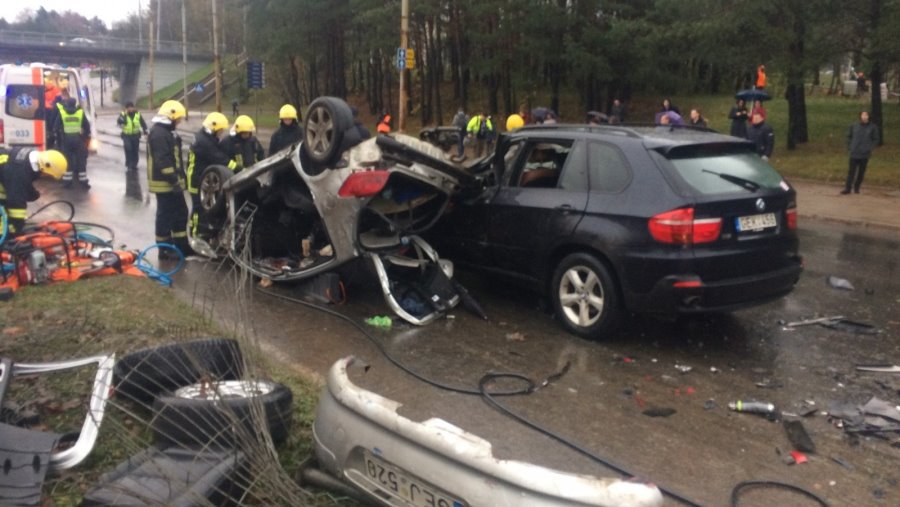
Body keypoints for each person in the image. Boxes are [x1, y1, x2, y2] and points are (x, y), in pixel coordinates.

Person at [147, 100, 192, 259]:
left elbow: (175, 159)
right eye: (178, 119)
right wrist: (174, 180)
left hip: (171, 182)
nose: (179, 122)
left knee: (180, 213)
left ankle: (181, 246)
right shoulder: (159, 133)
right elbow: (163, 161)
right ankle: (164, 249)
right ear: (170, 117)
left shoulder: (166, 132)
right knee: (165, 215)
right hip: (164, 183)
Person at [186, 112, 236, 239]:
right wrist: (238, 168)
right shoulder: (204, 142)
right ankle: (196, 234)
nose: (221, 133)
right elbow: (219, 158)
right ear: (213, 128)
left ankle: (200, 232)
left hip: (202, 177)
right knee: (199, 208)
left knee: (203, 208)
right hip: (197, 179)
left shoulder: (204, 137)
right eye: (220, 130)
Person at [0, 148, 67, 234]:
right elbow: (16, 202)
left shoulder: (29, 159)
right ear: (45, 167)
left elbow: (21, 184)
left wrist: (32, 194)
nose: (45, 176)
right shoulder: (19, 172)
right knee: (3, 229)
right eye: (48, 175)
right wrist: (17, 226)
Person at [54, 97, 91, 189]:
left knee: (67, 160)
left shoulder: (62, 113)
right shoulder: (80, 113)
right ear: (75, 104)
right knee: (81, 160)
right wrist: (85, 136)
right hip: (78, 139)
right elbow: (87, 126)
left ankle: (67, 182)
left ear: (67, 103)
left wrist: (59, 138)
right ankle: (83, 181)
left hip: (66, 140)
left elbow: (55, 127)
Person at [842, 111, 879, 194]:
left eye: (866, 115)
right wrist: (850, 147)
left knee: (861, 173)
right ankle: (848, 188)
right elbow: (848, 136)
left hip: (864, 154)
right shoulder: (854, 126)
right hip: (854, 152)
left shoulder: (873, 127)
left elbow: (876, 139)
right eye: (863, 115)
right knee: (851, 172)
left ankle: (857, 187)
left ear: (869, 116)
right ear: (860, 116)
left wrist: (869, 147)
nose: (864, 117)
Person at [117, 101, 148, 172]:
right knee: (128, 149)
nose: (130, 109)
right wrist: (124, 117)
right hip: (126, 135)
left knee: (135, 150)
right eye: (129, 108)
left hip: (135, 135)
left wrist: (145, 132)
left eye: (131, 107)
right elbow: (119, 122)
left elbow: (143, 123)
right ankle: (129, 165)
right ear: (126, 108)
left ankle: (134, 164)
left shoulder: (137, 114)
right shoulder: (123, 114)